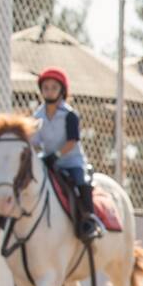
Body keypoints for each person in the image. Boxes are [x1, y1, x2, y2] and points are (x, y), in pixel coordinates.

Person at [31, 68, 103, 241]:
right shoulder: (37, 116)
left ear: (62, 91)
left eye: (54, 87)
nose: (49, 91)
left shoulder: (69, 115)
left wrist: (56, 155)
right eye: (46, 87)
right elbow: (34, 142)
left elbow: (72, 141)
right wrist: (40, 155)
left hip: (71, 161)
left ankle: (89, 220)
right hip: (48, 162)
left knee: (80, 182)